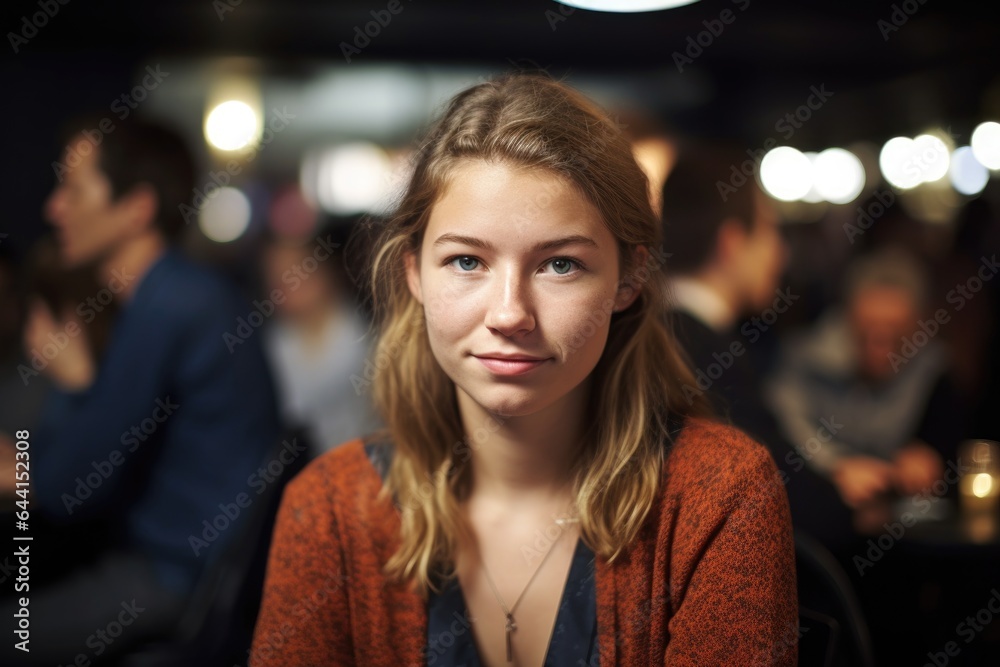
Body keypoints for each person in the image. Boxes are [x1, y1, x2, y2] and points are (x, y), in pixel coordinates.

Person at [250, 74, 797, 665]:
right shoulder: (330, 509)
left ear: (629, 279)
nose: (510, 313)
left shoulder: (720, 496)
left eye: (560, 264)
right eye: (466, 261)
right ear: (414, 273)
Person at [0, 119, 282, 664]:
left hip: (170, 579)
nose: (54, 208)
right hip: (171, 567)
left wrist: (65, 389)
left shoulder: (171, 304)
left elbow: (67, 487)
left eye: (75, 189)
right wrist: (78, 383)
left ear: (136, 209)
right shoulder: (177, 294)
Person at [661, 143, 855, 552]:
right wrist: (843, 496)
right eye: (770, 232)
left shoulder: (654, 332)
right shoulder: (708, 352)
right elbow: (786, 495)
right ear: (732, 242)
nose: (781, 253)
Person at [765, 247, 960, 533]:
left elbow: (948, 451)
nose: (880, 342)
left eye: (895, 332)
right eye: (868, 329)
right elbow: (784, 431)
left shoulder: (934, 370)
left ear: (918, 324)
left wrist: (928, 460)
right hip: (816, 526)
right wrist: (836, 466)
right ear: (849, 318)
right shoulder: (802, 359)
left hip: (900, 535)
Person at [260, 226, 381, 457]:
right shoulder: (269, 345)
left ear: (322, 272)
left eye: (295, 272)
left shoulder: (368, 335)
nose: (284, 286)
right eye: (275, 277)